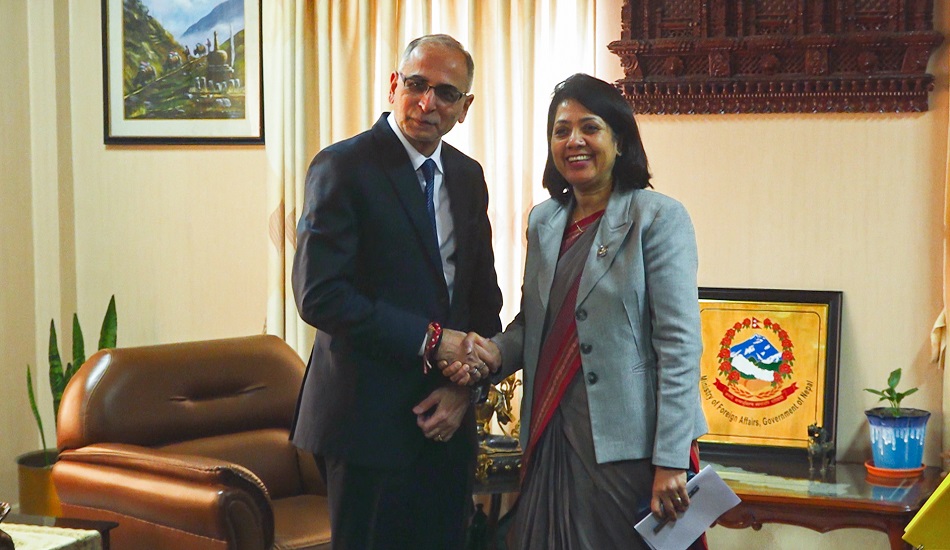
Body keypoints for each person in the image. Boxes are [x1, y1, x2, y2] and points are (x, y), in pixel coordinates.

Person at [441, 73, 709, 549]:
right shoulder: (544, 221)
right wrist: (491, 353)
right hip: (550, 431)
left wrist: (670, 459)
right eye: (561, 130)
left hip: (629, 451)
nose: (574, 141)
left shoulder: (657, 218)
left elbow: (680, 346)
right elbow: (535, 324)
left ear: (619, 140)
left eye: (590, 128)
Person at [291, 34, 503, 550]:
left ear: (464, 107)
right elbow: (319, 294)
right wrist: (432, 340)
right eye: (417, 85)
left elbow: (483, 302)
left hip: (448, 426)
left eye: (446, 93)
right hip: (366, 426)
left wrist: (465, 390)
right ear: (393, 86)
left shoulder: (467, 177)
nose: (428, 103)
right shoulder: (343, 167)